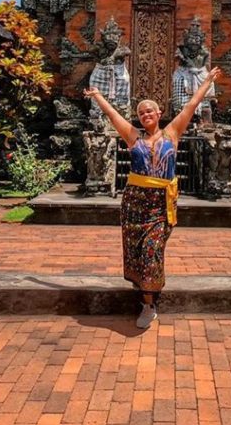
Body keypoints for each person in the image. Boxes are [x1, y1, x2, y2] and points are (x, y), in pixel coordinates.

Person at [85, 66, 221, 329]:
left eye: (150, 111)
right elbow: (113, 115)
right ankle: (147, 295)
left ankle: (148, 305)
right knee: (138, 252)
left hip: (161, 204)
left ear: (159, 114)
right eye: (141, 112)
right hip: (135, 203)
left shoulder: (172, 133)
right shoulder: (133, 137)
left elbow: (191, 105)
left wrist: (207, 81)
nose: (146, 115)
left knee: (152, 250)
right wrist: (98, 95)